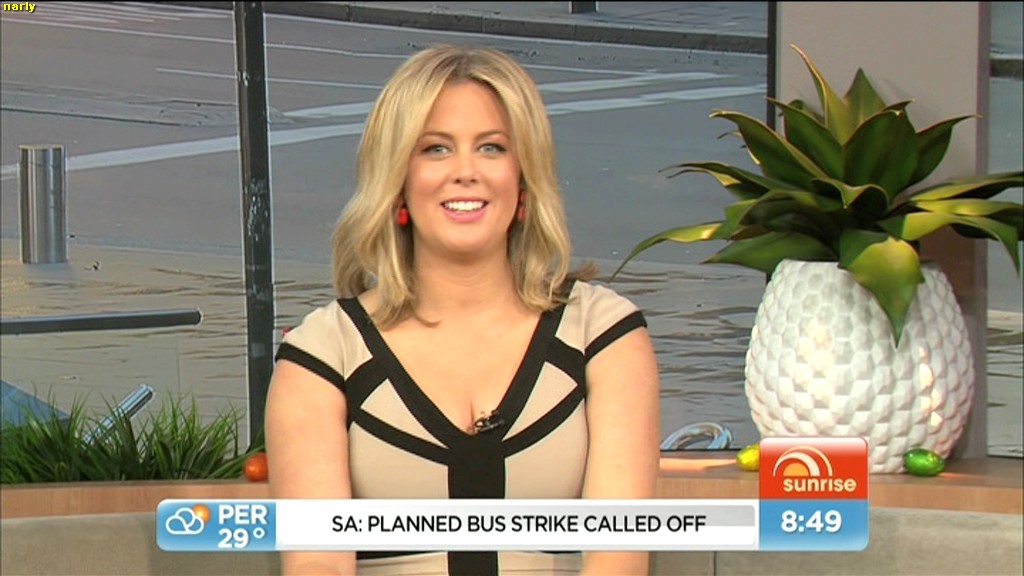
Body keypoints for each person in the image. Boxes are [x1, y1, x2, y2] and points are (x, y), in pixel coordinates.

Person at [266, 44, 660, 576]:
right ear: (397, 183)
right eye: (436, 149)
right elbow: (319, 562)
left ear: (523, 180)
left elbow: (619, 556)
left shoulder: (602, 335)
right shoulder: (323, 354)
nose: (466, 172)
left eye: (492, 148)